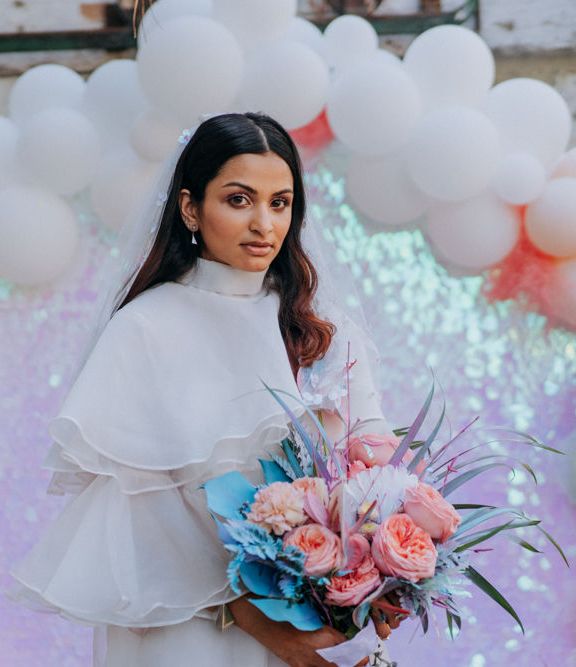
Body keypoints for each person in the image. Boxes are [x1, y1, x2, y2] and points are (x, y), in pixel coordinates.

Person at [10, 112, 402, 666]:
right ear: (191, 207)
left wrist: (378, 577)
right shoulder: (145, 329)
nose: (263, 223)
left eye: (280, 202)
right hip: (192, 621)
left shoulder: (326, 330)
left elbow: (373, 460)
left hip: (319, 616)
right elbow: (146, 509)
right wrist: (256, 618)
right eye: (239, 200)